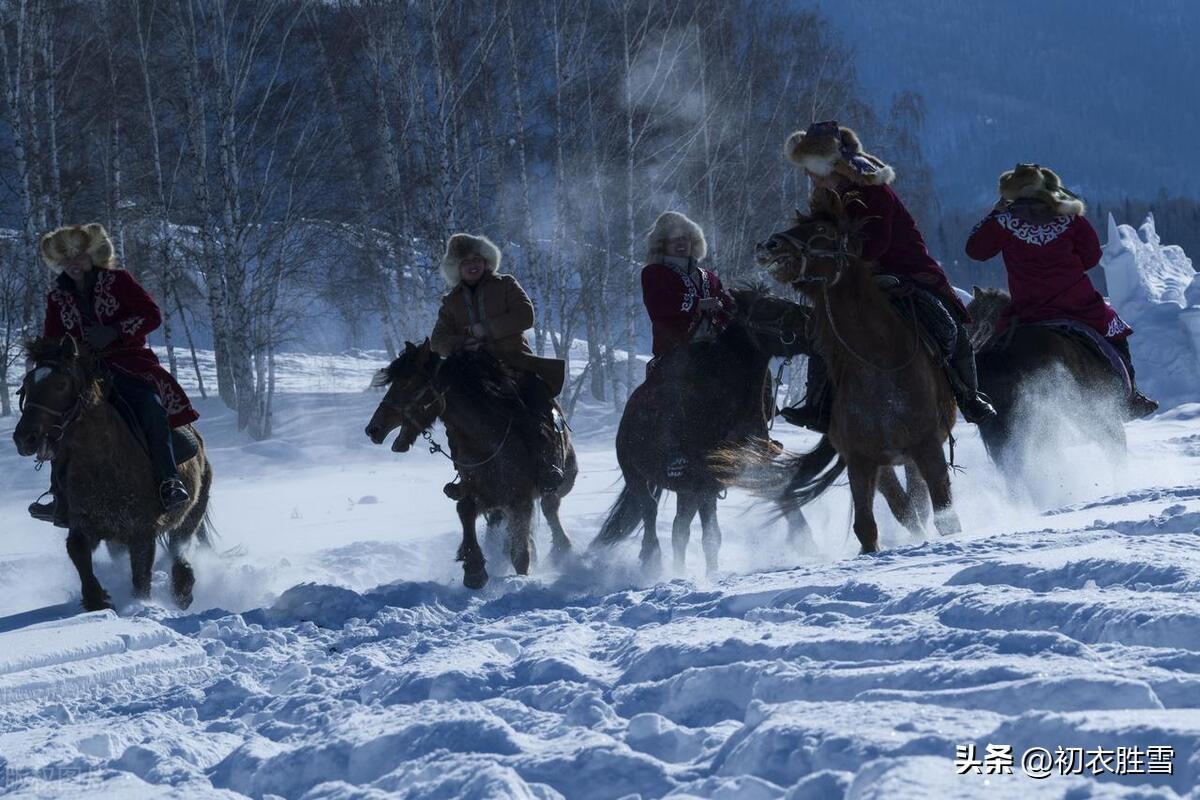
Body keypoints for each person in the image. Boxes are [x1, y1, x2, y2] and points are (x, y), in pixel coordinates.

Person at [778, 121, 996, 431]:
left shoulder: (872, 190)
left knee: (948, 327)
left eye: (810, 169)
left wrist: (840, 263)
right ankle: (818, 404)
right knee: (823, 329)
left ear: (829, 166)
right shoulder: (825, 198)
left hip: (906, 271)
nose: (808, 176)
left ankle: (968, 395)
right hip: (852, 280)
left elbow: (875, 244)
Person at [30, 223, 197, 526]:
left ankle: (170, 482)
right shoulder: (57, 298)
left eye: (78, 256)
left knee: (150, 407)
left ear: (92, 256)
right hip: (83, 374)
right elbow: (52, 338)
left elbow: (152, 315)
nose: (74, 264)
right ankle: (60, 496)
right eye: (67, 259)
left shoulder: (119, 281)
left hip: (128, 364)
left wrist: (115, 331)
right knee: (59, 419)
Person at [965, 163, 1158, 418]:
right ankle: (1130, 395)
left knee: (996, 346)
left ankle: (975, 397)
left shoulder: (1003, 221)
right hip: (1078, 306)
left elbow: (975, 250)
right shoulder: (1070, 219)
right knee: (1116, 331)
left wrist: (995, 214)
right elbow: (1091, 257)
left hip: (1028, 310)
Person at [430, 233, 567, 493]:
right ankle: (466, 475)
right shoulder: (451, 301)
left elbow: (526, 315)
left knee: (535, 406)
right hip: (474, 375)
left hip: (515, 365)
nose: (472, 265)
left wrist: (487, 330)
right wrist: (462, 342)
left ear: (486, 261)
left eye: (477, 259)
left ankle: (544, 464)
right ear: (456, 267)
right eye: (465, 261)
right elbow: (438, 341)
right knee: (455, 418)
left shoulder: (505, 285)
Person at [640, 211, 735, 369]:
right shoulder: (654, 272)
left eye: (685, 238)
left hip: (716, 351)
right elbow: (658, 303)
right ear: (662, 245)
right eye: (674, 240)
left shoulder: (710, 277)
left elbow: (728, 309)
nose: (681, 244)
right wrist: (699, 304)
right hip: (675, 355)